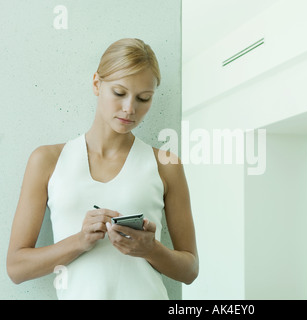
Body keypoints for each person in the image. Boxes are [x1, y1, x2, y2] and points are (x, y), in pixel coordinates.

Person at [6, 38, 198, 299]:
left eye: (144, 98)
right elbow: (17, 269)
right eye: (119, 93)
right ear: (97, 84)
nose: (130, 108)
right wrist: (80, 241)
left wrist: (151, 249)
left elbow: (190, 270)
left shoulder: (167, 164)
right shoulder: (47, 160)